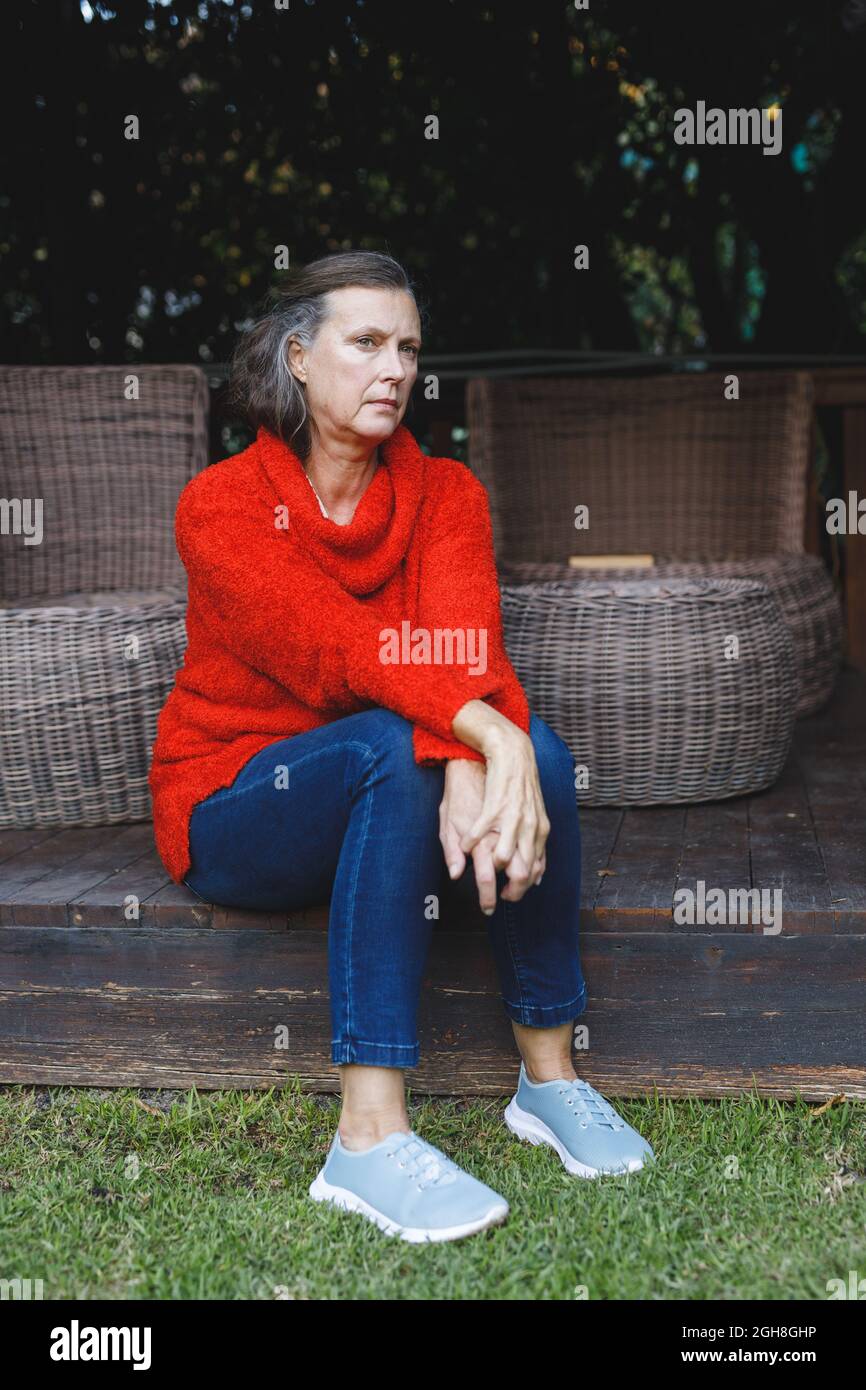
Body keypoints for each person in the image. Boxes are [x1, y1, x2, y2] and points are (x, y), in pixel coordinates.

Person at [148, 250, 654, 1245]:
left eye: (409, 348)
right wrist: (472, 734)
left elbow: (464, 650)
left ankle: (547, 1078)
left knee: (539, 754)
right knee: (410, 737)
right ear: (297, 357)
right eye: (366, 342)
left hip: (393, 784)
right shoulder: (222, 506)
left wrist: (488, 745)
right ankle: (367, 1139)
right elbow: (336, 651)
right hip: (240, 799)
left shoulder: (445, 494)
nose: (394, 369)